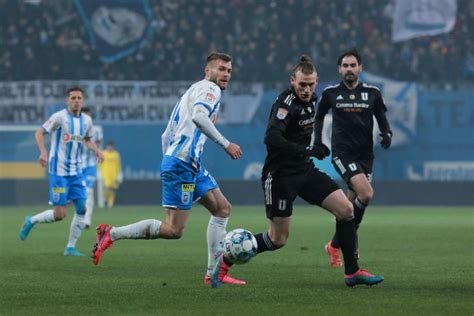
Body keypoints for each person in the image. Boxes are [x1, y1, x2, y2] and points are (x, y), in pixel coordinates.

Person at [211, 55, 384, 288]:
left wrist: (318, 145)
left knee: (346, 210)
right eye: (302, 84)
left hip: (304, 170)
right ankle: (224, 262)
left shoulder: (314, 99)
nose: (306, 89)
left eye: (311, 84)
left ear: (316, 81)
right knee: (278, 239)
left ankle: (352, 273)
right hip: (280, 175)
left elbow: (313, 128)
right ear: (293, 81)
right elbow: (271, 137)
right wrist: (307, 149)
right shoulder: (285, 103)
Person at [92, 52, 246, 285]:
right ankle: (111, 233)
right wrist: (225, 144)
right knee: (174, 229)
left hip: (187, 164)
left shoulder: (190, 92)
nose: (226, 74)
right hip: (183, 165)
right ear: (208, 72)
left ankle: (214, 273)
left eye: (229, 71)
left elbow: (167, 134)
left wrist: (171, 161)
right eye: (221, 69)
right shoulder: (210, 90)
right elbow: (199, 117)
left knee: (222, 209)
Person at [314, 49, 392, 268]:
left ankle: (335, 245)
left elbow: (381, 117)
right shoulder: (330, 93)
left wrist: (387, 133)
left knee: (347, 208)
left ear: (360, 68)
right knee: (366, 194)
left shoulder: (372, 93)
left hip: (365, 155)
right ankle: (343, 249)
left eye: (353, 65)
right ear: (339, 69)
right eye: (345, 66)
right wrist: (318, 142)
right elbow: (319, 117)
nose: (349, 69)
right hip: (343, 153)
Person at [19, 87, 104, 256]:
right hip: (58, 172)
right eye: (73, 98)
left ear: (83, 101)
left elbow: (86, 139)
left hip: (76, 172)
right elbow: (39, 132)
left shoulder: (87, 120)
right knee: (60, 214)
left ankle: (70, 247)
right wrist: (43, 152)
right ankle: (31, 220)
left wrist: (95, 150)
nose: (76, 100)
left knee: (82, 208)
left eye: (79, 98)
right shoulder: (59, 117)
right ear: (67, 100)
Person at [80, 107, 103, 227]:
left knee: (89, 191)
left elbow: (97, 146)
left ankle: (87, 219)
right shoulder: (74, 128)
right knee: (79, 193)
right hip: (77, 165)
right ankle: (80, 216)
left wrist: (98, 152)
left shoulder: (97, 130)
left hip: (90, 165)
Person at [101, 141, 122, 208]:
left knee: (112, 189)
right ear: (107, 146)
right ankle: (105, 200)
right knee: (107, 188)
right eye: (109, 146)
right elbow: (99, 164)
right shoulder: (103, 153)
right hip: (106, 174)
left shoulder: (116, 154)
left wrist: (119, 175)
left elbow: (118, 165)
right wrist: (99, 173)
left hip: (114, 174)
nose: (110, 147)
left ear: (113, 147)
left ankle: (110, 204)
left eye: (111, 146)